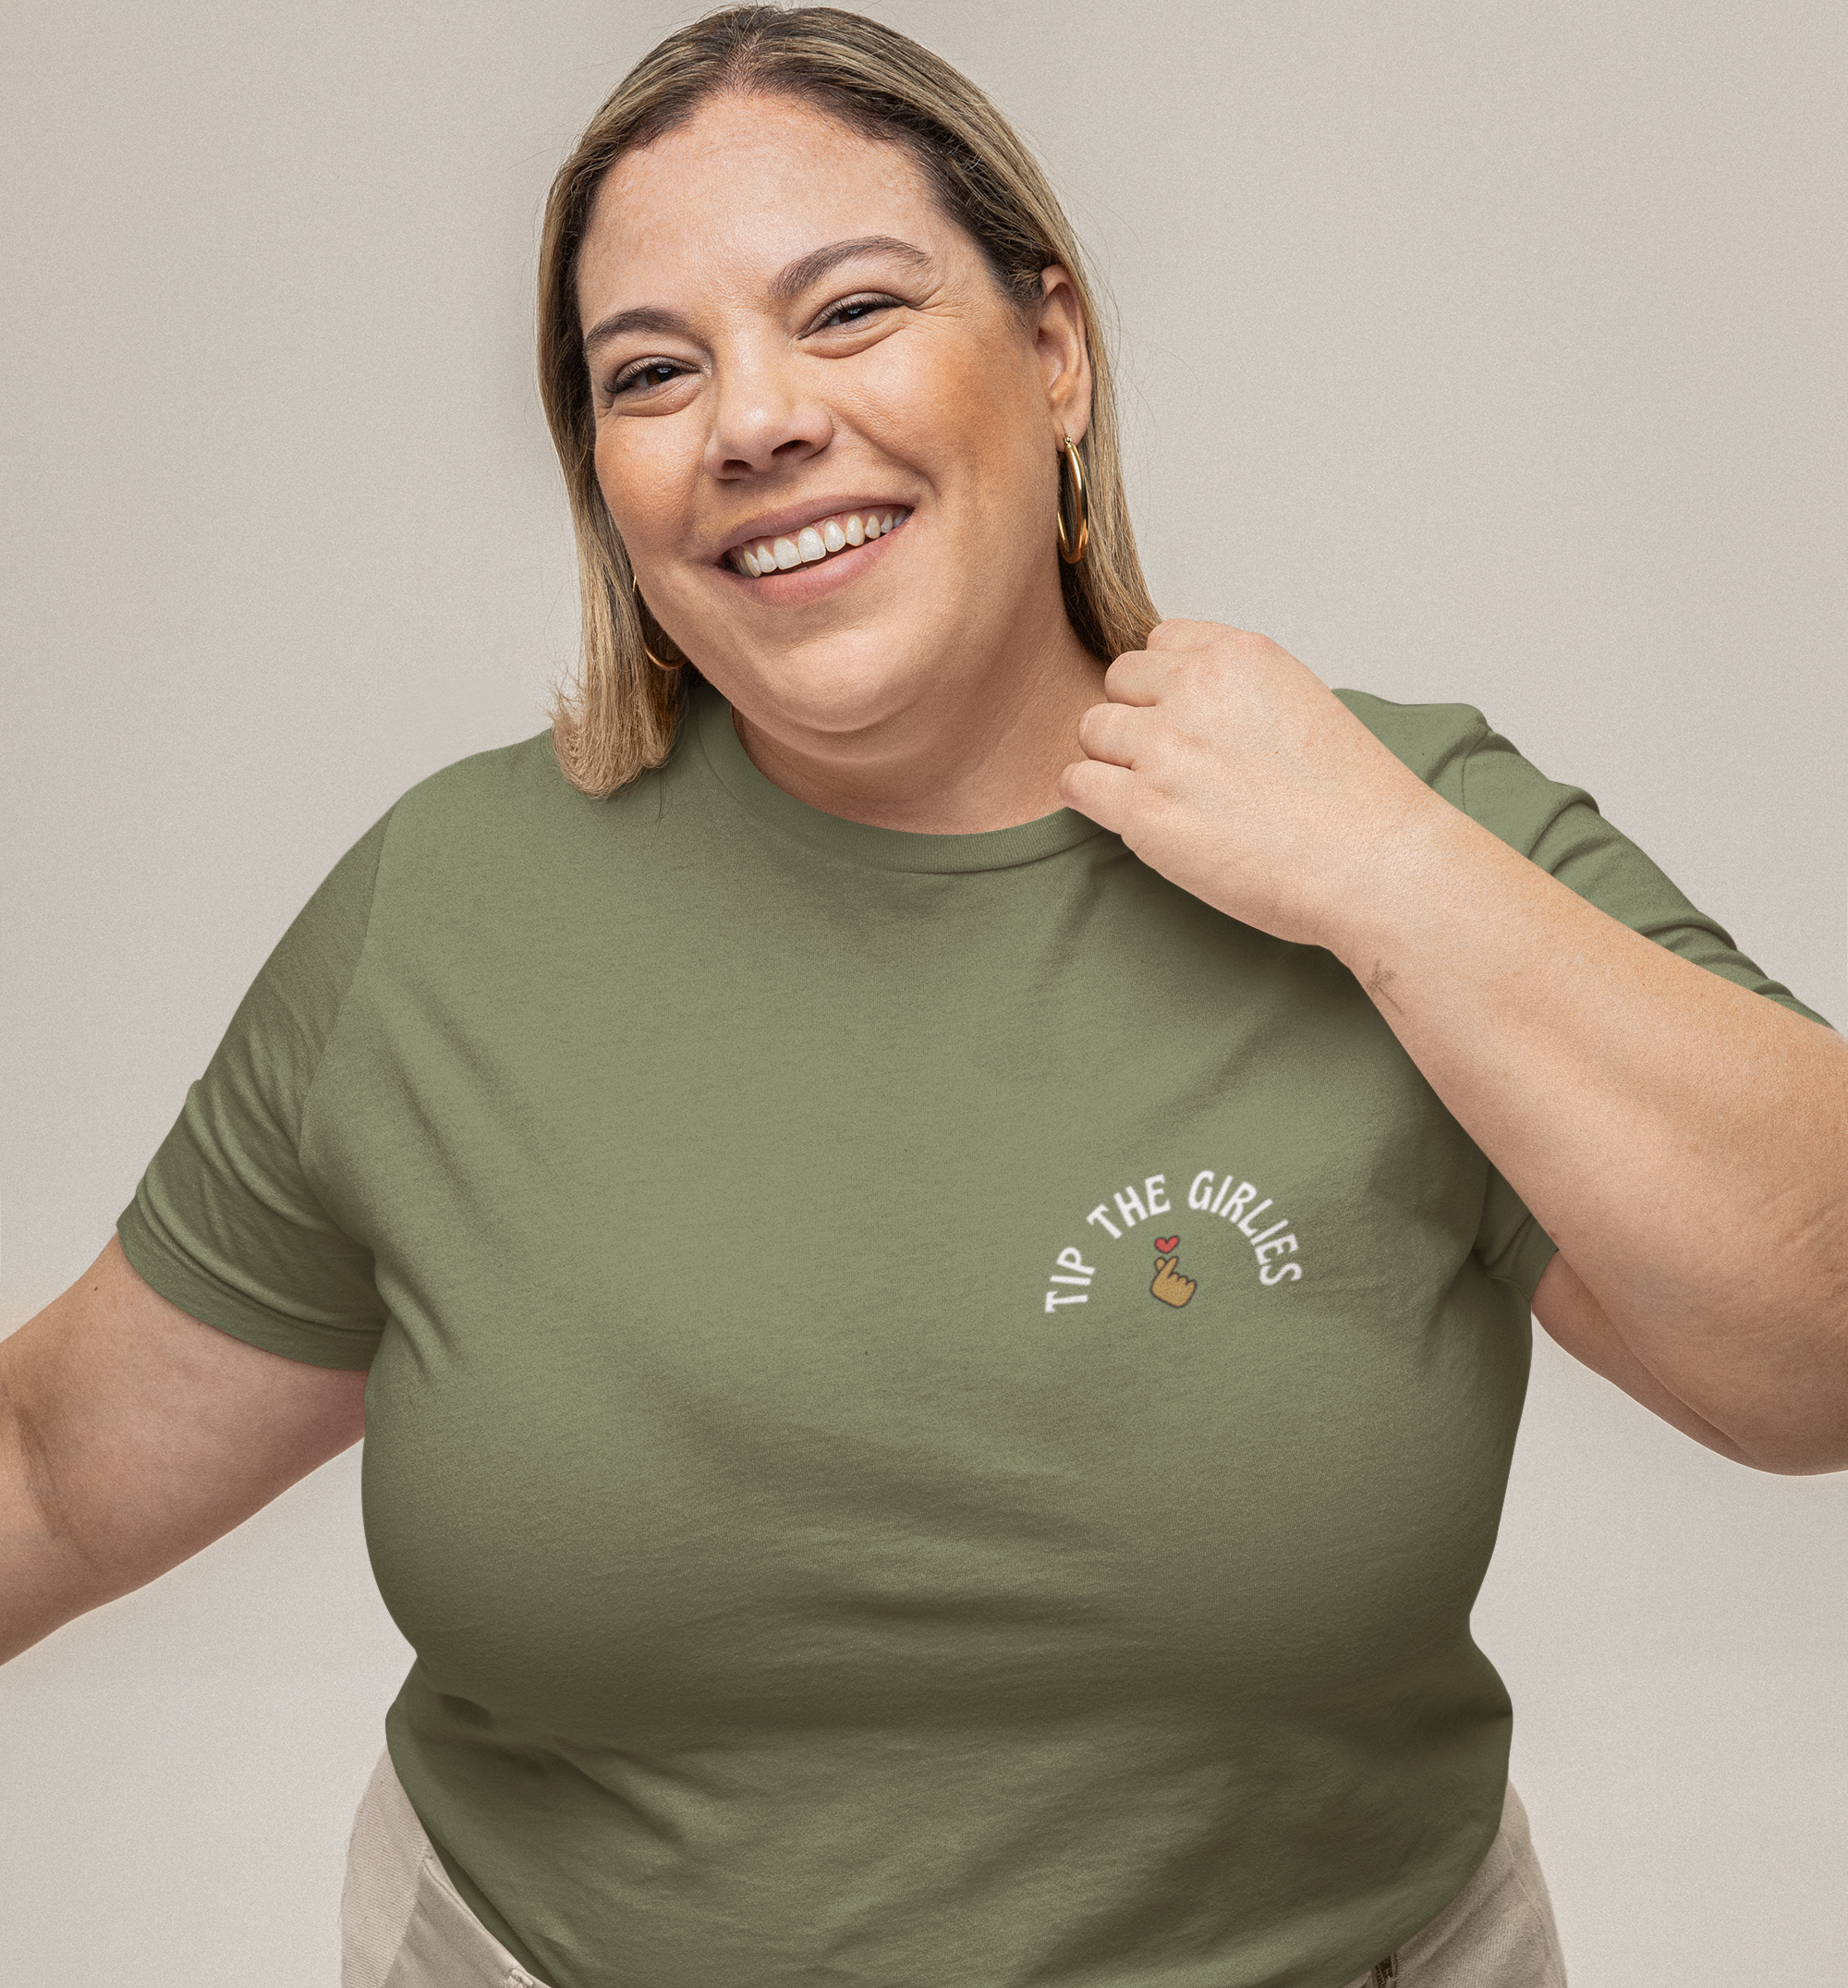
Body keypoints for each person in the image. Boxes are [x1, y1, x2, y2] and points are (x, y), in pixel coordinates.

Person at [3, 6, 1843, 1985]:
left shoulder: (1398, 833)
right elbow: (52, 1467)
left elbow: (1809, 1347)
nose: (754, 418)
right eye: (651, 370)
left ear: (1053, 350)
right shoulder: (445, 909)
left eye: (849, 310)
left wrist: (1391, 882)